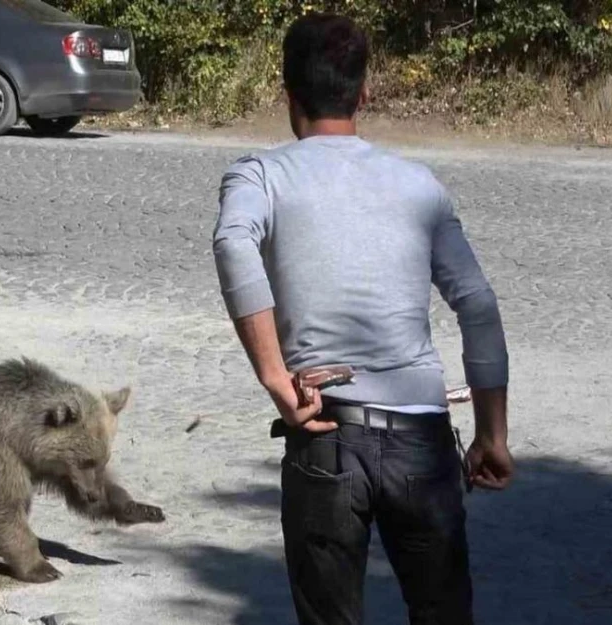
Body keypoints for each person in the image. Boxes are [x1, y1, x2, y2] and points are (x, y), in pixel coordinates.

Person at [210, 12, 515, 625]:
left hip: (326, 434)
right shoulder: (419, 185)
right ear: (364, 94)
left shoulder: (260, 175)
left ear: (288, 95)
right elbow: (477, 305)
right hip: (422, 445)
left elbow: (232, 241)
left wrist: (274, 375)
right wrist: (492, 435)